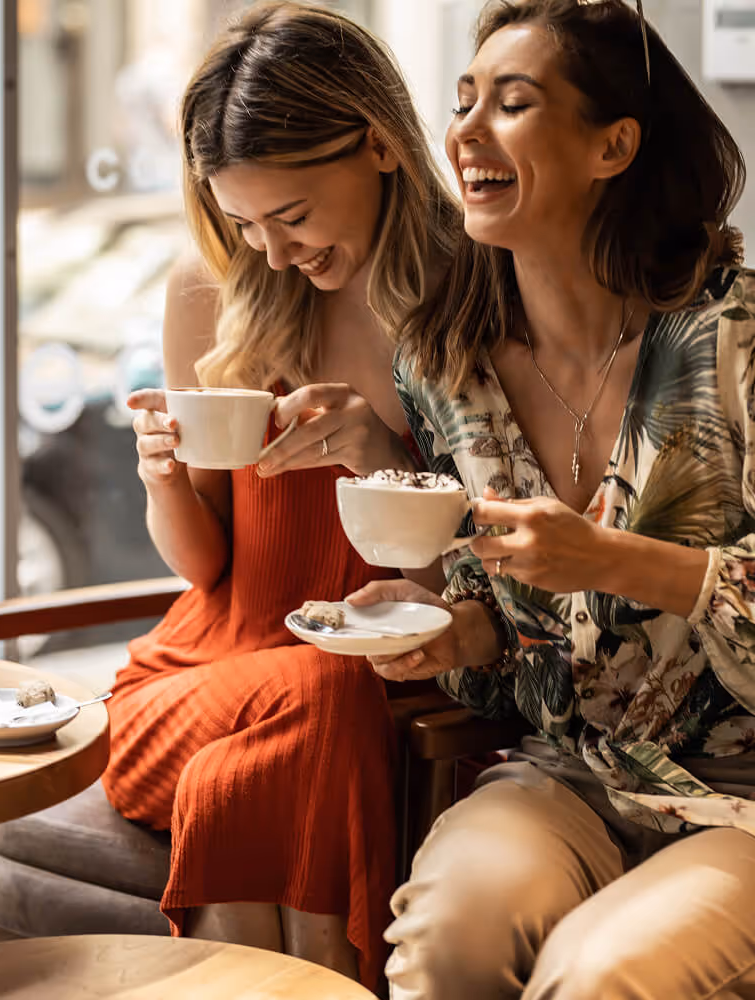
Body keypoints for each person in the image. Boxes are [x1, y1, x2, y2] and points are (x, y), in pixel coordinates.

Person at [346, 0, 755, 996]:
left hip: (744, 796)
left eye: (512, 103)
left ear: (611, 145)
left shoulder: (732, 342)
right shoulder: (443, 368)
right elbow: (508, 648)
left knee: (593, 973)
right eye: (463, 101)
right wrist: (457, 634)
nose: (466, 132)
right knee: (449, 937)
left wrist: (615, 559)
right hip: (578, 772)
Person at [99, 2, 458, 991]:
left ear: (378, 143)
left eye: (290, 217)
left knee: (305, 721)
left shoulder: (468, 294)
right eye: (242, 222)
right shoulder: (208, 292)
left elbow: (464, 578)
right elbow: (205, 566)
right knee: (324, 688)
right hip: (199, 678)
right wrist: (159, 475)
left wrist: (383, 454)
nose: (267, 252)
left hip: (390, 677)